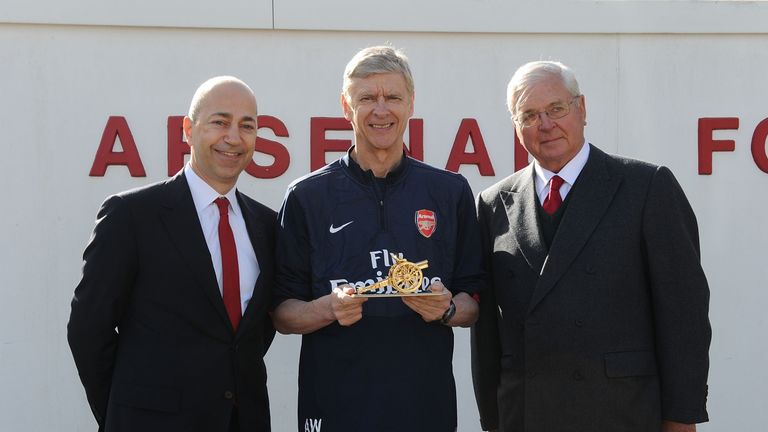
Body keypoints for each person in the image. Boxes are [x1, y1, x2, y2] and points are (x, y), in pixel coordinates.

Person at [471, 61, 711, 432]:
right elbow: (487, 333)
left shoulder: (645, 187)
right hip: (526, 416)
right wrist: (493, 418)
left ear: (581, 109)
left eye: (556, 109)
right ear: (517, 128)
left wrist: (681, 419)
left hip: (621, 414)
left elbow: (684, 317)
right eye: (530, 114)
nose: (545, 124)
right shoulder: (493, 203)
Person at [272, 45, 483, 432]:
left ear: (411, 103)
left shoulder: (449, 192)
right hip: (334, 408)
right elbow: (282, 312)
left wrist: (447, 309)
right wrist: (327, 310)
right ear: (345, 106)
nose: (380, 110)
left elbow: (473, 303)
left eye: (393, 97)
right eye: (367, 98)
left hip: (425, 408)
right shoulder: (306, 196)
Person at [68, 76, 276, 432]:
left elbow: (249, 337)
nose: (233, 137)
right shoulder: (131, 215)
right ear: (187, 129)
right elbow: (89, 328)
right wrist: (123, 415)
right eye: (220, 122)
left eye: (247, 126)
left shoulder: (268, 225)